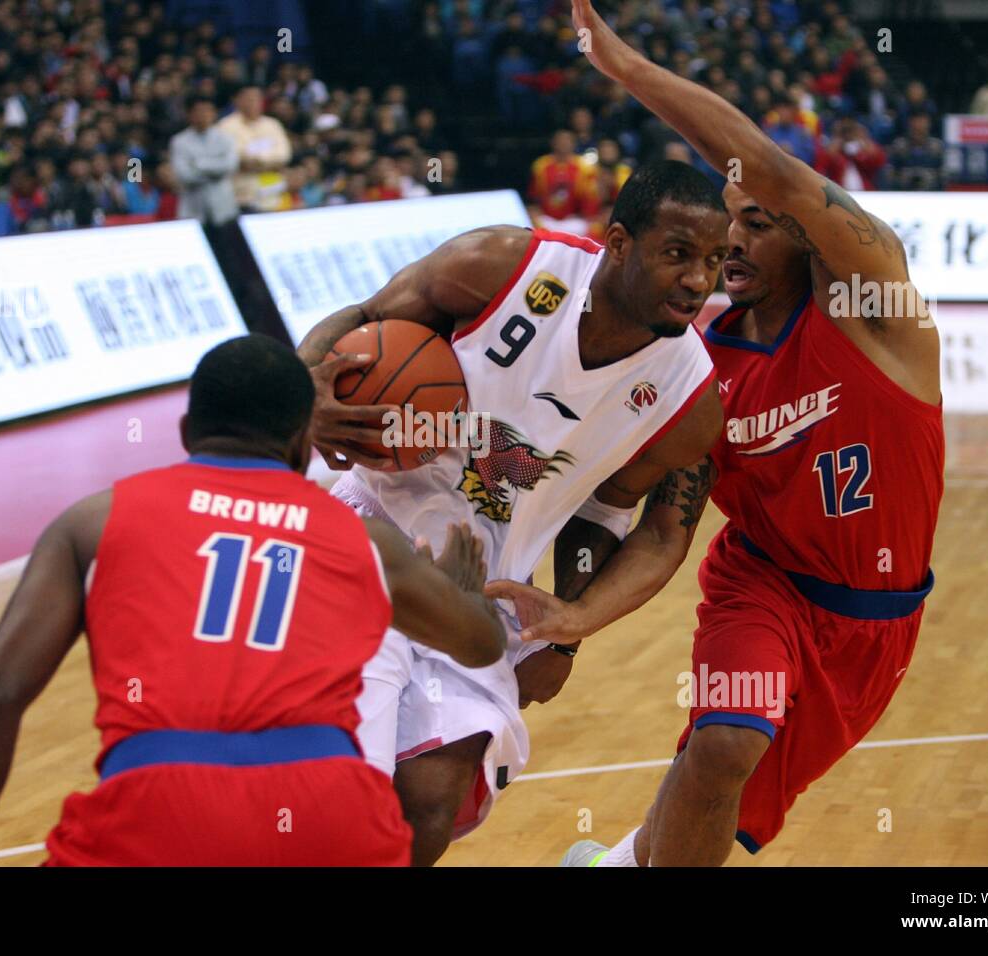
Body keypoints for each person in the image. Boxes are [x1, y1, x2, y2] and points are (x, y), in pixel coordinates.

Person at [562, 0, 942, 867]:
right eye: (729, 223)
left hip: (879, 624)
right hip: (760, 588)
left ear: (809, 239)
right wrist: (569, 617)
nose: (732, 240)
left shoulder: (872, 311)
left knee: (719, 808)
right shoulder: (700, 368)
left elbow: (774, 171)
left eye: (758, 224)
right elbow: (662, 520)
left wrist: (630, 72)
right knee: (726, 744)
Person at [0, 335, 506, 867]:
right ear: (303, 444)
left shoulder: (94, 523)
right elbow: (481, 645)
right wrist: (461, 593)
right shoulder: (363, 540)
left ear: (185, 432)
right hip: (329, 817)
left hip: (157, 808)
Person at [298, 160, 729, 865]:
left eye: (712, 260)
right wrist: (305, 389)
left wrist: (569, 630)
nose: (696, 280)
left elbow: (649, 527)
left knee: (433, 802)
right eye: (676, 254)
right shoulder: (502, 267)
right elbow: (367, 321)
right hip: (363, 530)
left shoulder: (688, 400)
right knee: (344, 788)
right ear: (619, 244)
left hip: (479, 591)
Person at [169, 95, 239, 226]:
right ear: (189, 114)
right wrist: (216, 171)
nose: (204, 115)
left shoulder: (226, 138)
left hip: (224, 208)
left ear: (214, 113)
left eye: (208, 110)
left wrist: (199, 164)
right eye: (199, 111)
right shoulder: (179, 141)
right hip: (193, 208)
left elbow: (230, 166)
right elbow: (185, 176)